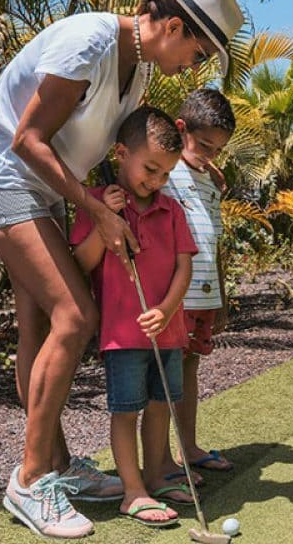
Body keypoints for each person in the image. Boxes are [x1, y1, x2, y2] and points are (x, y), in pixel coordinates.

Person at [0, 0, 244, 538]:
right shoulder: (89, 42)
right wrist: (95, 207)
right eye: (198, 52)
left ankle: (58, 466)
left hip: (46, 191)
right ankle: (30, 480)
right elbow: (26, 140)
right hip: (0, 179)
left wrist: (190, 169)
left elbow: (129, 151)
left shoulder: (138, 70)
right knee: (76, 314)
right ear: (172, 26)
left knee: (40, 327)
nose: (194, 67)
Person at [70, 106, 197, 527]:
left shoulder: (171, 210)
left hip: (168, 330)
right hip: (123, 335)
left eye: (166, 174)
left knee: (161, 406)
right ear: (121, 153)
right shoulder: (94, 202)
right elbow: (82, 262)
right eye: (150, 169)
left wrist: (166, 310)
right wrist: (103, 219)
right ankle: (132, 491)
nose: (157, 181)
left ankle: (156, 474)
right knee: (126, 411)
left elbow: (184, 267)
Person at [161, 89, 236, 484]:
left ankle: (187, 447)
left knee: (189, 369)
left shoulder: (210, 182)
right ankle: (160, 459)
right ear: (181, 129)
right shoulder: (164, 171)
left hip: (203, 294)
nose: (209, 155)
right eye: (204, 145)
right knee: (163, 376)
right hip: (171, 296)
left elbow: (214, 240)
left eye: (218, 150)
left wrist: (220, 299)